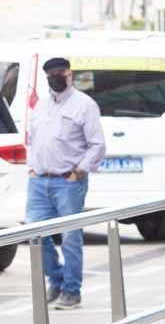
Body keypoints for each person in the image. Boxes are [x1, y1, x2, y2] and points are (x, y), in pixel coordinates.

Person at [26, 57, 106, 309]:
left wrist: (80, 171)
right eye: (51, 75)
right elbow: (33, 138)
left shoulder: (85, 105)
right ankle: (56, 279)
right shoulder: (41, 105)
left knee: (71, 237)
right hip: (39, 181)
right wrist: (31, 167)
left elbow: (97, 144)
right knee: (34, 234)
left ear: (70, 74)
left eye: (60, 73)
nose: (56, 78)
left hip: (68, 182)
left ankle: (72, 290)